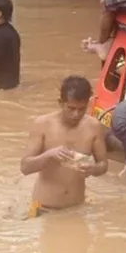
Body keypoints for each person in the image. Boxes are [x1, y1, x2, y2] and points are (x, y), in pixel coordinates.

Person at [20, 76, 108, 217]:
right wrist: (48, 155)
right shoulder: (42, 124)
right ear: (61, 103)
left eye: (82, 109)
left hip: (76, 208)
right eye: (71, 108)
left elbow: (103, 165)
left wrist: (93, 169)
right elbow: (25, 167)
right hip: (41, 207)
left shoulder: (94, 127)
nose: (76, 114)